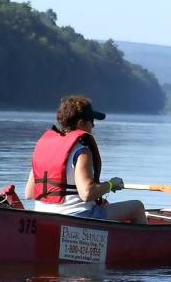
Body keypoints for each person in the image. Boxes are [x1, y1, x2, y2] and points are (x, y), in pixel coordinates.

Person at [25, 95, 148, 224]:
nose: (93, 125)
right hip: (76, 217)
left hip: (42, 216)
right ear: (81, 123)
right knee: (137, 207)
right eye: (91, 120)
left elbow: (29, 193)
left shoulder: (43, 148)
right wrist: (111, 184)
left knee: (105, 205)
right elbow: (87, 193)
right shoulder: (81, 152)